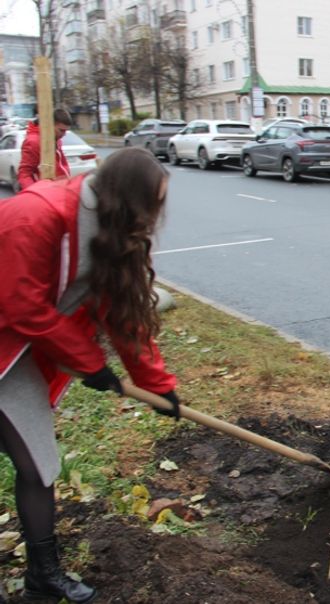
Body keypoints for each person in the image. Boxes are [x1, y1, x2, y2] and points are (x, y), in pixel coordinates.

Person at [0, 147, 182, 603]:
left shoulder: (109, 229)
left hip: (16, 356)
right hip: (11, 333)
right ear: (128, 197)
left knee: (39, 466)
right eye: (152, 204)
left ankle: (43, 575)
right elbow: (23, 306)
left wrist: (159, 387)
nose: (155, 216)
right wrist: (89, 363)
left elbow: (122, 314)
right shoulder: (34, 215)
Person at [17, 108, 73, 192]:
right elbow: (25, 174)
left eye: (66, 131)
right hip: (44, 194)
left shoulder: (55, 139)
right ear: (49, 125)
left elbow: (62, 167)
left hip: (58, 191)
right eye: (61, 130)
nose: (64, 134)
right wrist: (35, 195)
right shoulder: (33, 142)